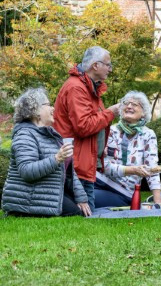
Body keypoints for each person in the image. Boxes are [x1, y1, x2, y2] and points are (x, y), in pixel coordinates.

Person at [2, 87, 91, 217]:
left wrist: (81, 198)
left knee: (85, 210)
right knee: (75, 213)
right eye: (48, 105)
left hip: (46, 194)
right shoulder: (24, 134)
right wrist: (56, 158)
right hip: (28, 200)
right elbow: (26, 171)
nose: (53, 108)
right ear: (35, 110)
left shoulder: (50, 133)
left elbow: (68, 170)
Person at [53, 46, 120, 211]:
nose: (110, 69)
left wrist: (99, 148)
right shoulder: (76, 87)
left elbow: (92, 123)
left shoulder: (90, 87)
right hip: (76, 166)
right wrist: (111, 113)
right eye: (108, 64)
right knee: (84, 214)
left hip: (85, 162)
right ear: (95, 66)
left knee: (88, 213)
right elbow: (84, 126)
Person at [94, 90, 161, 208]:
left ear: (143, 113)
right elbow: (103, 165)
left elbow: (152, 170)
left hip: (122, 192)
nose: (129, 106)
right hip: (99, 181)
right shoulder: (111, 131)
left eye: (135, 104)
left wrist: (158, 204)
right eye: (126, 103)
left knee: (86, 197)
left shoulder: (148, 135)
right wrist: (133, 170)